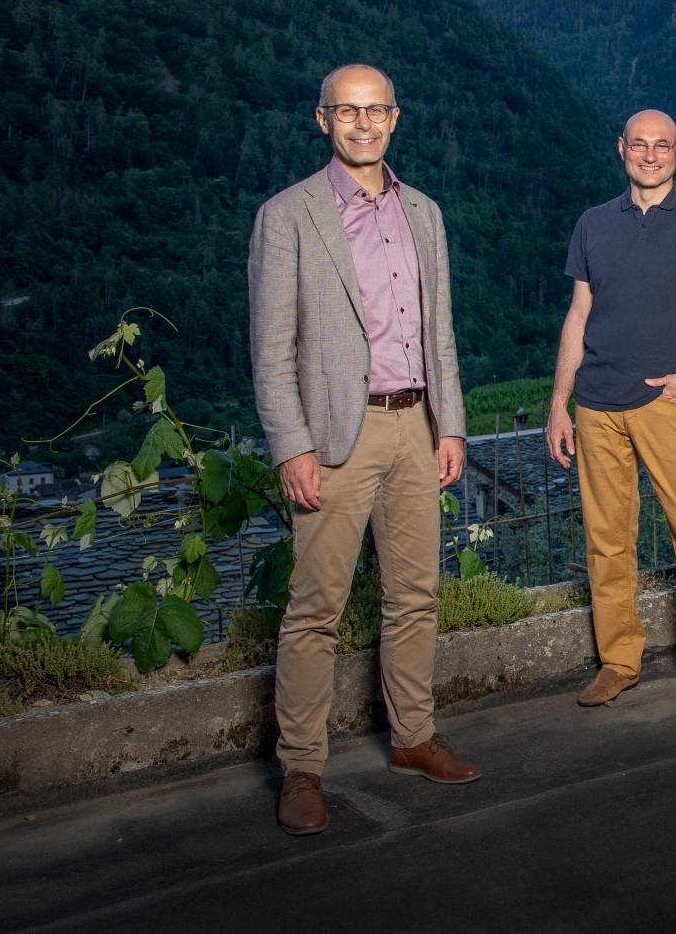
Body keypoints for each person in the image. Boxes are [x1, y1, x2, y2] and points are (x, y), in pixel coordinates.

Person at [249, 63, 479, 838]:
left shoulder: (425, 213)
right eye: (346, 111)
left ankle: (413, 737)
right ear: (322, 119)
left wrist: (451, 424)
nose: (362, 123)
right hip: (334, 438)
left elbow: (438, 329)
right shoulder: (288, 216)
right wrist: (292, 446)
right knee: (316, 607)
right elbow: (272, 349)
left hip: (416, 425)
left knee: (415, 594)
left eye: (375, 110)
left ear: (395, 118)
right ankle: (302, 767)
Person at [544, 110, 676, 713]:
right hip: (596, 404)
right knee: (607, 543)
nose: (651, 155)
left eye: (662, 145)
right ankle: (619, 662)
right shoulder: (592, 224)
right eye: (640, 144)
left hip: (671, 402)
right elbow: (578, 318)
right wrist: (560, 404)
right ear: (622, 149)